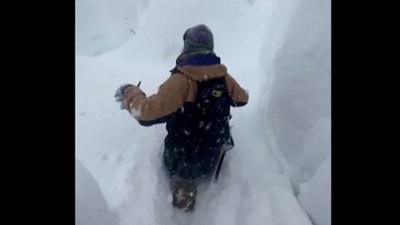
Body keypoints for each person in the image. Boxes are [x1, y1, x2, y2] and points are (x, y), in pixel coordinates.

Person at [115, 24, 248, 211]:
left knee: (182, 160)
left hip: (182, 159)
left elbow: (145, 113)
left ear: (187, 46)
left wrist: (131, 93)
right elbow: (242, 99)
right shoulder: (223, 77)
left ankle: (182, 192)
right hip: (212, 155)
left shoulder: (181, 80)